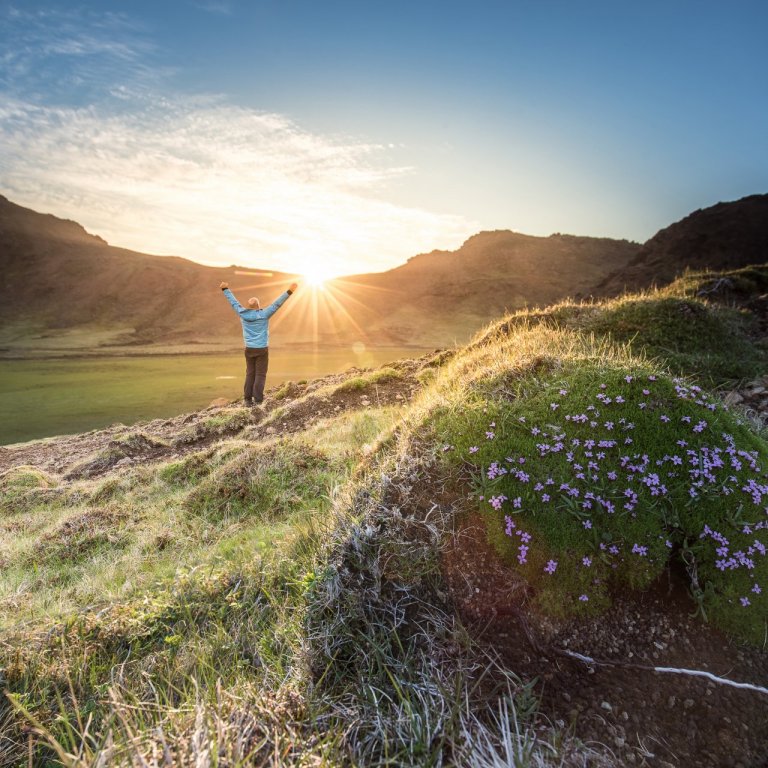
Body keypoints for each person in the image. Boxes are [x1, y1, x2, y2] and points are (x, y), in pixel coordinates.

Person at [220, 280, 298, 406]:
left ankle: (247, 400)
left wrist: (225, 289)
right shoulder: (264, 313)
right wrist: (290, 291)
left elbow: (233, 302)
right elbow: (277, 303)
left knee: (250, 373)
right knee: (260, 374)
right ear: (258, 305)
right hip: (262, 349)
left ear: (248, 306)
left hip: (249, 349)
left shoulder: (242, 312)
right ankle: (258, 400)